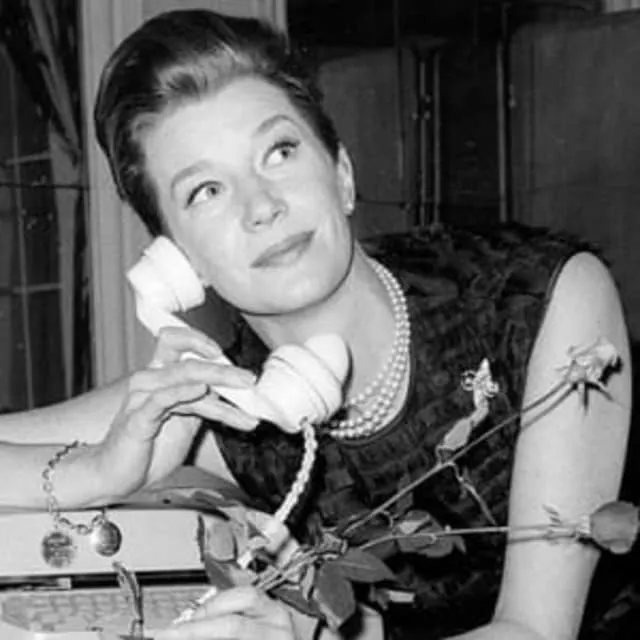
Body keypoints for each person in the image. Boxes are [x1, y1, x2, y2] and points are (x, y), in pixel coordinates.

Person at [0, 7, 632, 640]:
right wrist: (101, 471)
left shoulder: (537, 300)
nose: (262, 206)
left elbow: (535, 631)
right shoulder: (228, 403)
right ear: (179, 263)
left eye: (278, 152)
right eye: (206, 191)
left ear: (342, 175)